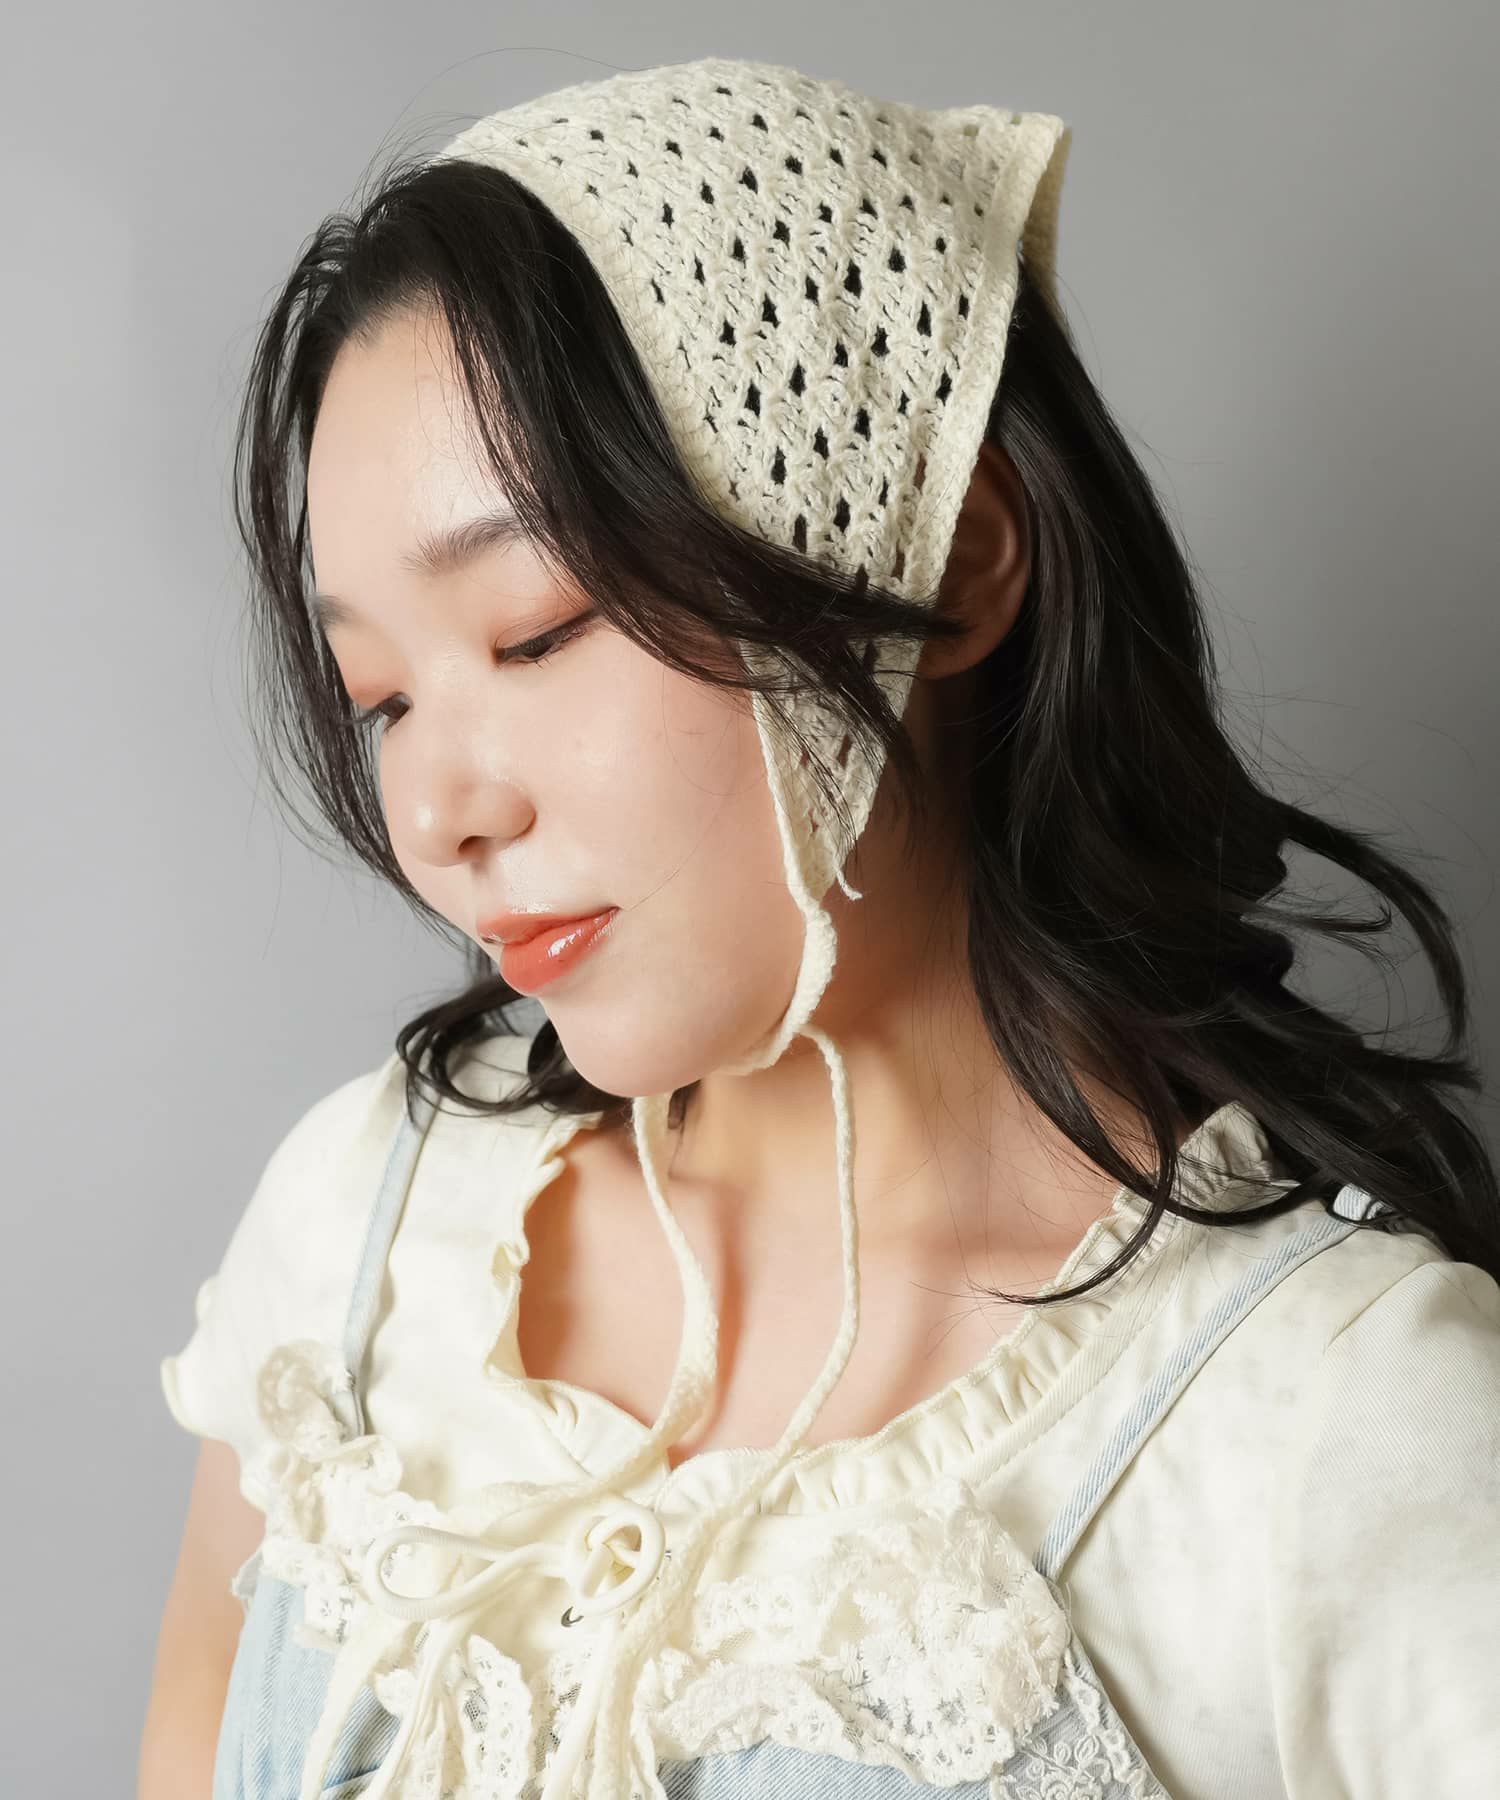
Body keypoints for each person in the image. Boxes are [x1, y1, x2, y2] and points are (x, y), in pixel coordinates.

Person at [147, 53, 1500, 1800]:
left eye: (535, 631)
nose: (436, 815)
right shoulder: (358, 1233)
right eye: (382, 700)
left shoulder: (1329, 1431)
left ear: (952, 563)